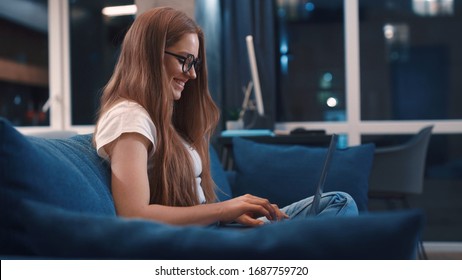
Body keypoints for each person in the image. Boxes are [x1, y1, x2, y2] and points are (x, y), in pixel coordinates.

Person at [93, 7, 358, 227]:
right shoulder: (128, 118)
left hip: (216, 230)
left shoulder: (158, 118)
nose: (192, 74)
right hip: (203, 239)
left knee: (335, 203)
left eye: (194, 63)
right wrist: (223, 210)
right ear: (150, 56)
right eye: (185, 60)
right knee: (339, 206)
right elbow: (133, 215)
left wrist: (230, 214)